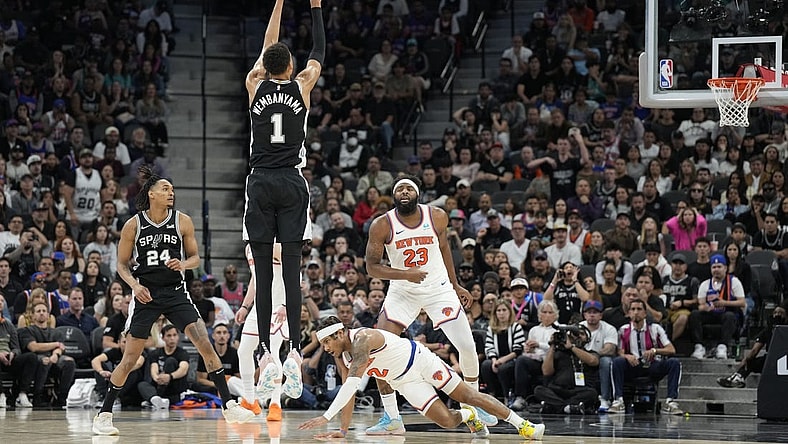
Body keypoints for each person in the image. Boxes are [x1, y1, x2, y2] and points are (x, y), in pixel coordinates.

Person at [92, 166, 254, 436]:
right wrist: (134, 285)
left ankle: (229, 405)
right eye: (165, 189)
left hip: (176, 292)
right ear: (151, 194)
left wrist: (183, 264)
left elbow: (195, 258)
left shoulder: (183, 221)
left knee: (205, 342)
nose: (171, 193)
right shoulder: (134, 224)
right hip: (146, 295)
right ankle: (104, 414)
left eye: (172, 189)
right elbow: (121, 265)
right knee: (130, 357)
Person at [364, 175, 498, 434]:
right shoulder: (382, 225)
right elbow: (371, 268)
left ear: (417, 194)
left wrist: (456, 284)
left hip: (438, 289)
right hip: (403, 291)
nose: (404, 192)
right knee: (378, 349)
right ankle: (392, 418)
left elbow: (445, 248)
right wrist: (405, 274)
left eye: (408, 188)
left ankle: (475, 404)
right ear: (394, 196)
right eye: (399, 189)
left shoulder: (436, 216)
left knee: (468, 347)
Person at [242, 0, 325, 397]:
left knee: (263, 270)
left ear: (266, 66)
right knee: (291, 272)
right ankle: (291, 348)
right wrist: (315, 9)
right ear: (290, 68)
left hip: (260, 181)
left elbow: (267, 48)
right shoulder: (303, 84)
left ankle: (263, 353)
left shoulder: (254, 83)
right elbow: (319, 51)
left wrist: (276, 3)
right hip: (292, 181)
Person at [298, 317, 545, 440]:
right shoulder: (343, 356)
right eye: (323, 344)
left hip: (421, 361)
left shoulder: (362, 339)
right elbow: (349, 391)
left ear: (341, 333)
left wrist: (326, 415)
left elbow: (352, 383)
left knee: (467, 395)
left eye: (328, 341)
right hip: (405, 382)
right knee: (447, 422)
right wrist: (342, 429)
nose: (326, 347)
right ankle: (470, 415)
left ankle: (524, 426)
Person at [234, 243, 295, 421]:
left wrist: (285, 303)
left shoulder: (276, 245)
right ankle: (249, 400)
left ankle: (275, 404)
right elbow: (255, 279)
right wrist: (245, 306)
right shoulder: (248, 248)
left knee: (272, 353)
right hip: (258, 308)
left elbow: (293, 274)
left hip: (277, 307)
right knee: (244, 351)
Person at [608, 299, 684, 415]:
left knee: (674, 362)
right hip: (634, 366)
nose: (636, 312)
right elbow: (620, 352)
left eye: (639, 309)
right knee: (617, 362)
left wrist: (655, 350)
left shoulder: (655, 328)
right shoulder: (623, 330)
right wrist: (627, 356)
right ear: (628, 313)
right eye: (633, 309)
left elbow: (671, 349)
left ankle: (671, 402)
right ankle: (618, 401)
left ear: (645, 313)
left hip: (652, 366)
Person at [689, 254, 746, 360]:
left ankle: (722, 346)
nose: (716, 270)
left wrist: (725, 303)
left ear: (725, 268)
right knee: (694, 315)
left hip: (727, 313)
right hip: (711, 314)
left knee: (729, 316)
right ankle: (699, 346)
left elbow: (742, 302)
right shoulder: (705, 284)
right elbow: (700, 305)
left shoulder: (734, 282)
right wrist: (705, 307)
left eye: (719, 267)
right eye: (714, 267)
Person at [717, 304, 787, 388]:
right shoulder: (768, 330)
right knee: (750, 361)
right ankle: (738, 378)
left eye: (780, 313)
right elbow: (755, 350)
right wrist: (746, 360)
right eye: (775, 312)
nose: (777, 315)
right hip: (771, 360)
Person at [137, 324, 189, 409]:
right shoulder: (156, 353)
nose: (172, 338)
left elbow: (183, 369)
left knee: (170, 361)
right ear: (163, 338)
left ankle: (153, 400)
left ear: (178, 337)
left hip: (174, 385)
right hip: (160, 385)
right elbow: (154, 368)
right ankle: (156, 399)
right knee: (142, 384)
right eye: (168, 335)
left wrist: (170, 376)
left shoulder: (182, 353)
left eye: (174, 335)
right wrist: (157, 378)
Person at [579, 300, 618, 413]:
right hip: (582, 358)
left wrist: (595, 354)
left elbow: (610, 348)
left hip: (600, 359)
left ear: (601, 315)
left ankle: (605, 398)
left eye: (595, 312)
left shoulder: (609, 329)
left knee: (606, 361)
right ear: (584, 314)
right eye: (589, 312)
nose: (592, 315)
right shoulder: (578, 328)